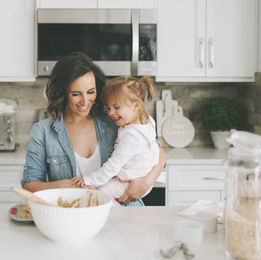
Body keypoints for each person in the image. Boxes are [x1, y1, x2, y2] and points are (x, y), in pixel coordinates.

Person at [22, 51, 166, 205]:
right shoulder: (43, 132)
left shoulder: (114, 119)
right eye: (76, 94)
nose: (85, 101)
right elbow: (29, 185)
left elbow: (157, 151)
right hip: (73, 216)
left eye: (91, 92)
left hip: (126, 213)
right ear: (62, 93)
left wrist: (145, 183)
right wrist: (65, 186)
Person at [71, 76, 159, 204]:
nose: (110, 113)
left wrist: (88, 180)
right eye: (108, 108)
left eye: (116, 107)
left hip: (130, 182)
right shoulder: (146, 120)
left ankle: (119, 219)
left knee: (99, 196)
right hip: (140, 177)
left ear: (135, 106)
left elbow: (113, 166)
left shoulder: (131, 136)